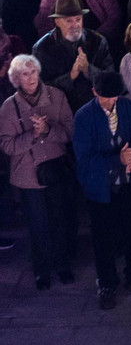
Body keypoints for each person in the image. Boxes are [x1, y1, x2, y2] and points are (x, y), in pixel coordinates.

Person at [74, 70, 131, 309]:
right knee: (104, 239)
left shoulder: (128, 107)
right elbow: (84, 160)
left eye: (115, 97)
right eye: (107, 98)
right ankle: (107, 284)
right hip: (101, 189)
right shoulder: (84, 117)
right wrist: (118, 159)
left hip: (130, 184)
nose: (112, 102)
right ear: (95, 92)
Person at [1, 53, 74, 290]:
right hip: (27, 176)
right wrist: (33, 135)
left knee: (59, 221)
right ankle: (42, 270)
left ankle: (62, 265)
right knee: (37, 226)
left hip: (55, 171)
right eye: (25, 73)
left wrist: (47, 130)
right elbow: (7, 145)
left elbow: (70, 133)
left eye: (33, 72)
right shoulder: (8, 107)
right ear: (16, 78)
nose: (31, 77)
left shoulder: (57, 96)